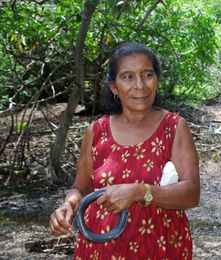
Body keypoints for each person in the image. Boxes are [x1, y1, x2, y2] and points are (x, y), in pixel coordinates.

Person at [49, 42, 200, 259]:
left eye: (147, 74)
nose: (140, 85)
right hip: (99, 247)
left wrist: (140, 191)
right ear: (113, 86)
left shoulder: (173, 127)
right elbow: (81, 188)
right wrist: (68, 205)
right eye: (128, 77)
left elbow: (191, 194)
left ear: (156, 79)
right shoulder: (96, 131)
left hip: (160, 246)